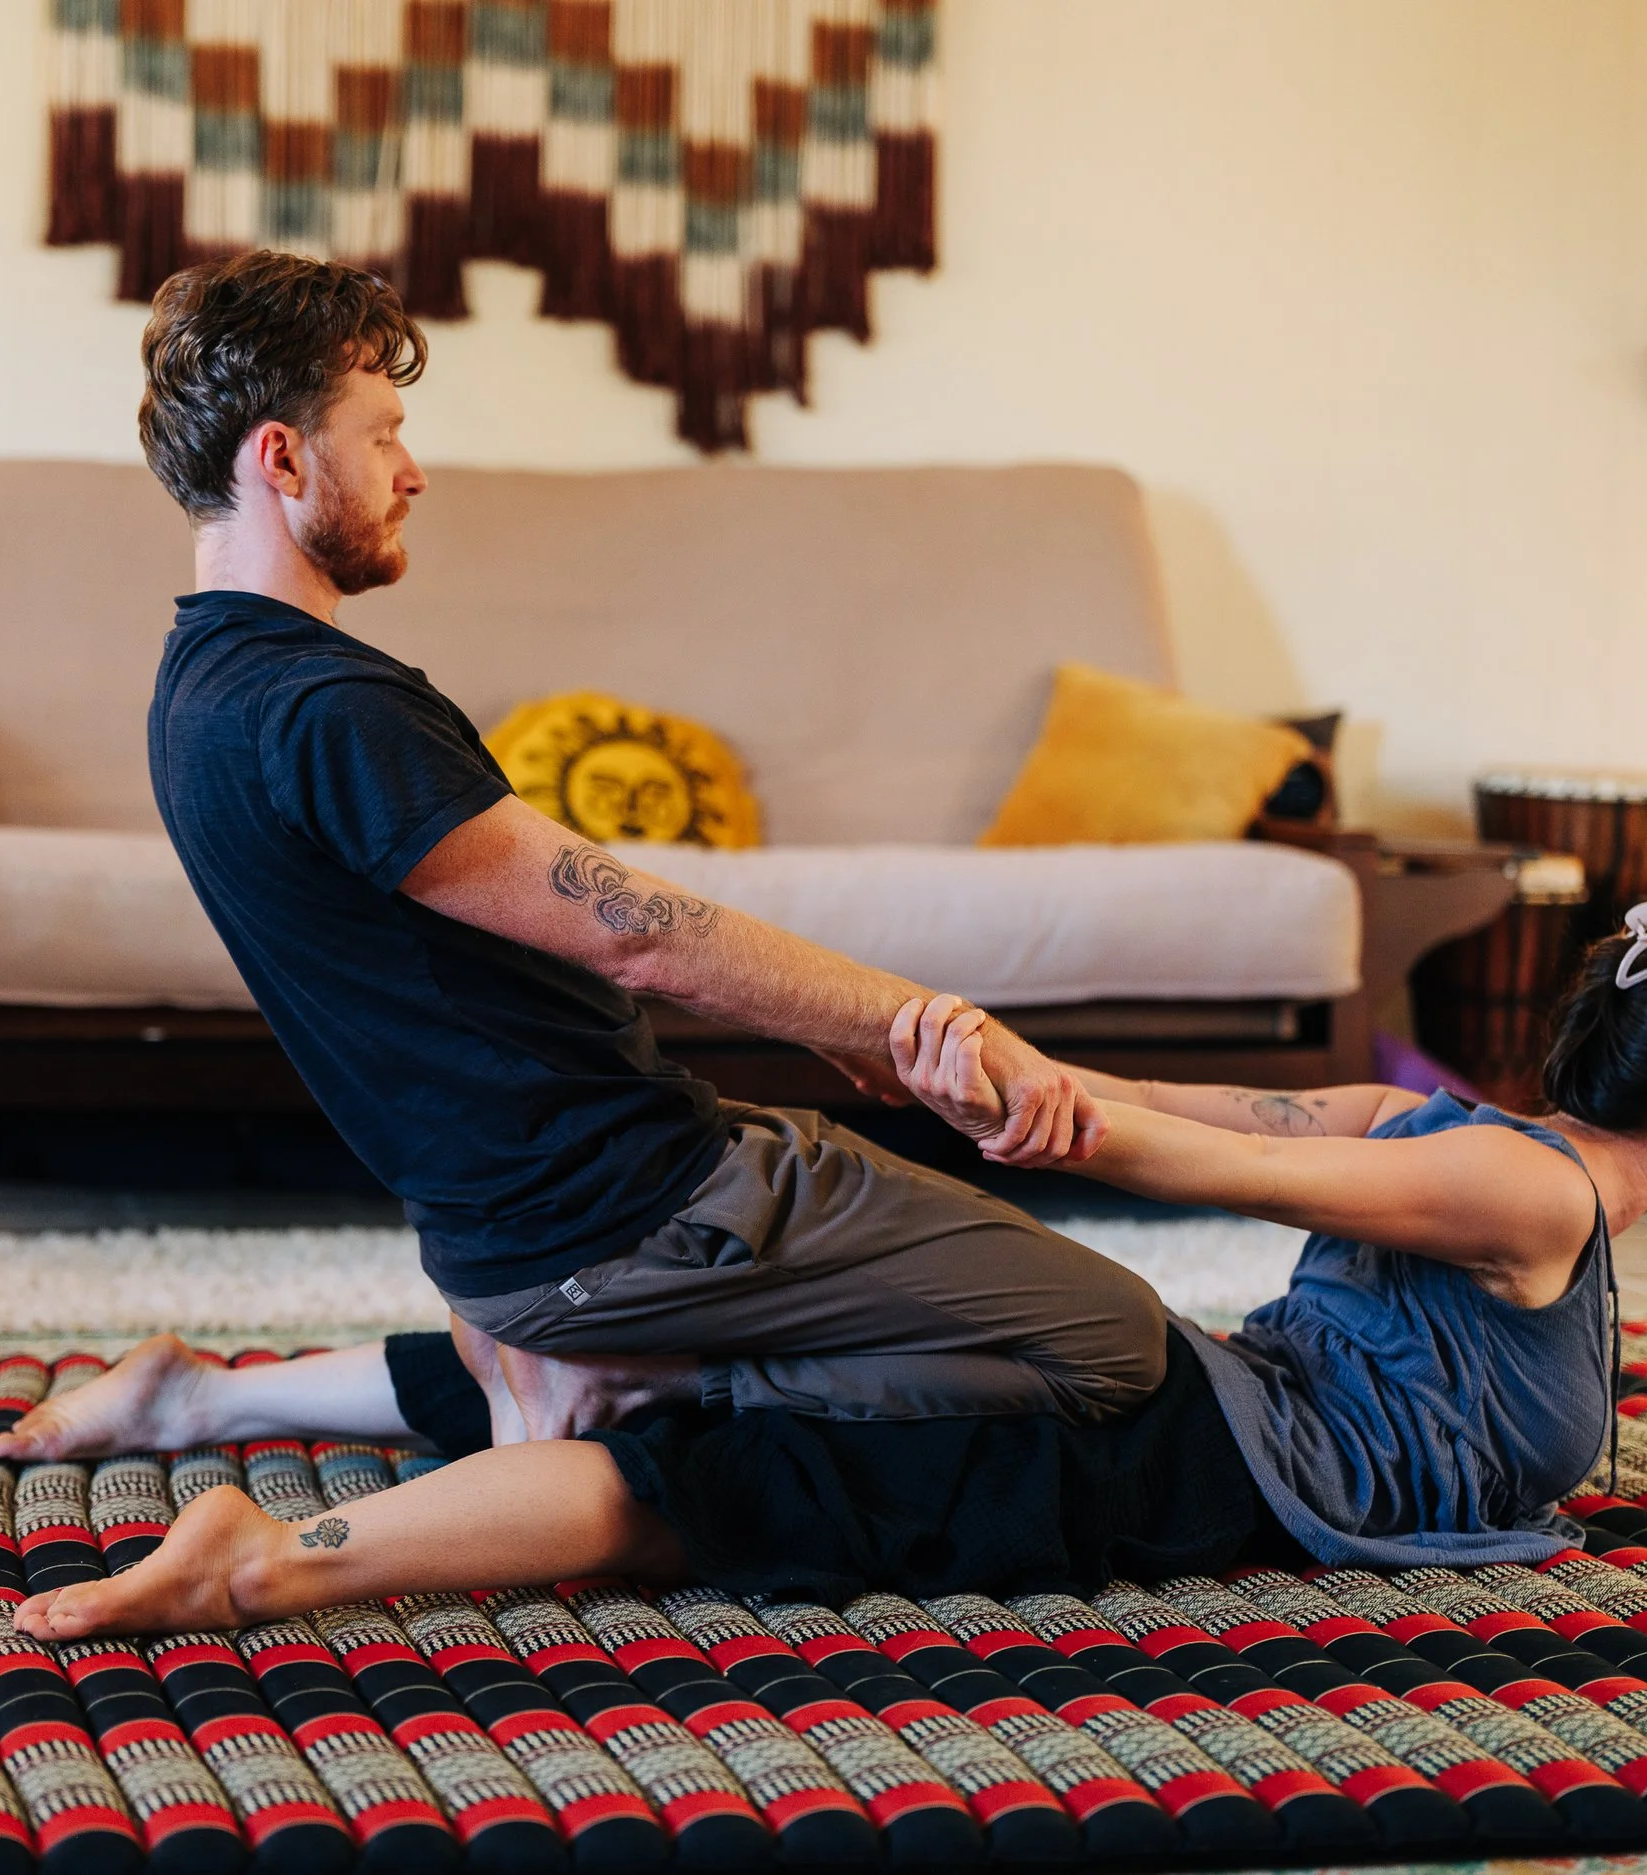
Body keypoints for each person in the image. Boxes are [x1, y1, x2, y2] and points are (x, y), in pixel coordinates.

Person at [13, 885, 1647, 1641]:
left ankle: (203, 1397)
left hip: (1196, 1406)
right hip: (1181, 1462)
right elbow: (1186, 1149)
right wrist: (1010, 1101)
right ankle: (267, 1565)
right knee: (724, 1486)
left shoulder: (1423, 1123)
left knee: (725, 1392)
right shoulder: (1535, 1202)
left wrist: (1029, 1085)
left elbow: (1183, 1110)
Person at [63, 246, 1168, 1449]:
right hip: (636, 1217)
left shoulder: (199, 689)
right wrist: (908, 1029)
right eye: (383, 434)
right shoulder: (327, 707)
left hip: (528, 1235)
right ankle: (639, 1391)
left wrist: (832, 1029)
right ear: (281, 457)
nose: (413, 471)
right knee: (1118, 1343)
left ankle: (222, 1398)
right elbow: (637, 934)